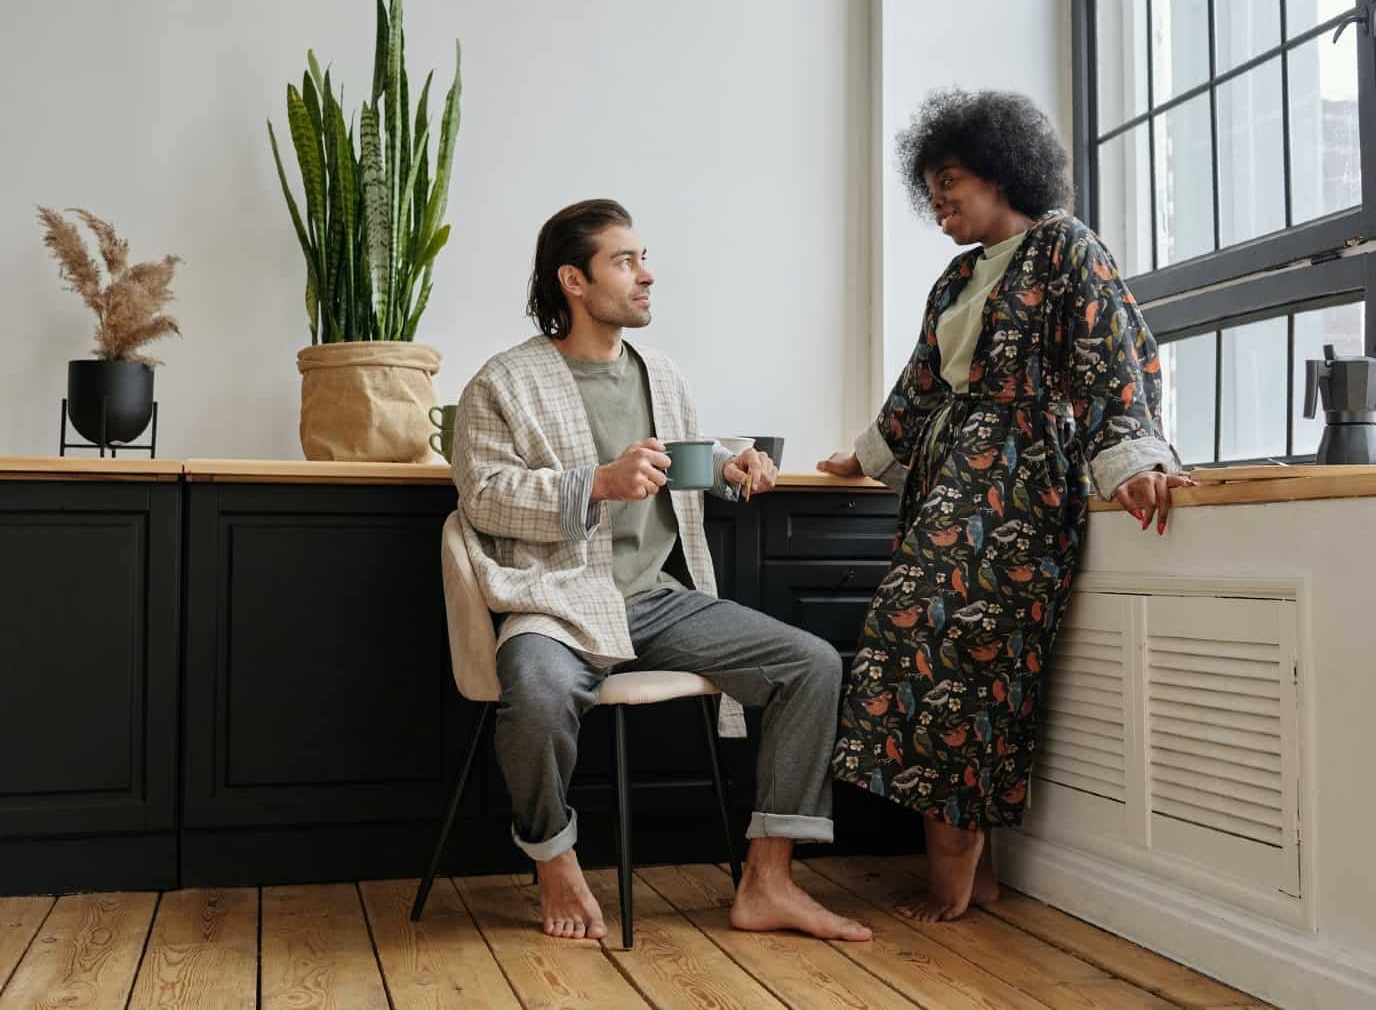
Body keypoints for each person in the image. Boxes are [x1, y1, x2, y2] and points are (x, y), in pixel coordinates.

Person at [820, 89, 1193, 921]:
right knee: (914, 651)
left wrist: (1132, 459)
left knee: (957, 657)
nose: (940, 200)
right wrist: (863, 456)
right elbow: (918, 387)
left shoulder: (1068, 248)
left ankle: (958, 870)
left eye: (951, 179)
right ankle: (970, 871)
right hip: (949, 480)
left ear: (1001, 170)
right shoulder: (957, 276)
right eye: (931, 187)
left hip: (1020, 483)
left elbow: (1111, 359)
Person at [453, 198, 870, 942]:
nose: (647, 275)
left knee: (810, 665)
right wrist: (597, 484)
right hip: (559, 602)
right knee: (539, 694)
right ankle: (553, 859)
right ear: (573, 280)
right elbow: (484, 498)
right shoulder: (503, 383)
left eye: (643, 258)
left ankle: (768, 882)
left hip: (657, 602)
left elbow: (678, 460)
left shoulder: (661, 375)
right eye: (625, 261)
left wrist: (729, 465)